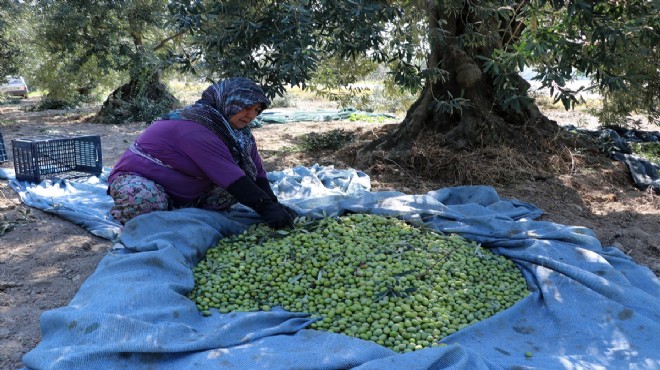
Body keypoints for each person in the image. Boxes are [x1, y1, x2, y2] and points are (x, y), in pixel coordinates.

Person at [107, 77, 296, 228]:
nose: (251, 115)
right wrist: (266, 208)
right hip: (143, 179)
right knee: (143, 201)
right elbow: (231, 176)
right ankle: (132, 210)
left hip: (188, 189)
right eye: (246, 107)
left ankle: (178, 207)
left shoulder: (240, 134)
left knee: (238, 191)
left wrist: (274, 204)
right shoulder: (195, 125)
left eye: (256, 110)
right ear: (228, 102)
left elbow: (257, 175)